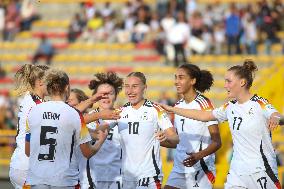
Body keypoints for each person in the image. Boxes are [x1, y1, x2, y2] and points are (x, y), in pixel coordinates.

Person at [159, 60, 282, 189]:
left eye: (228, 81)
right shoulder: (229, 107)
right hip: (237, 172)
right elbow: (204, 115)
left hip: (261, 168)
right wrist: (172, 109)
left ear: (242, 82)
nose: (225, 86)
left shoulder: (259, 103)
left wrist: (275, 117)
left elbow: (276, 114)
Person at [25, 69, 108, 188]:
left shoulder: (33, 111)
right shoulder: (75, 114)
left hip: (37, 179)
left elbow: (28, 151)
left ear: (48, 88)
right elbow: (87, 152)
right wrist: (100, 141)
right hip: (64, 180)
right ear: (67, 87)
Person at [108, 72, 179, 189]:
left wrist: (166, 137)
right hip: (127, 176)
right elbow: (98, 132)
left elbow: (175, 138)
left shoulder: (156, 110)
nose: (130, 91)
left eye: (134, 86)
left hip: (149, 175)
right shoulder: (119, 112)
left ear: (144, 88)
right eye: (127, 86)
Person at [164, 64, 221, 189]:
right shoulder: (177, 105)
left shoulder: (205, 104)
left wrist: (198, 155)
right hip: (179, 168)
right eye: (175, 77)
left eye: (181, 77)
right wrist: (155, 140)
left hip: (200, 168)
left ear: (193, 81)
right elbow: (179, 142)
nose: (176, 82)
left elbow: (217, 142)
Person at [80, 72, 124, 189]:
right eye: (102, 94)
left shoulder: (125, 117)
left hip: (118, 178)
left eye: (110, 93)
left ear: (116, 96)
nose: (106, 97)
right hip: (92, 179)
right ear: (95, 96)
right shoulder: (86, 119)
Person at [9, 64, 49, 189]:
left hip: (21, 162)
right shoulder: (36, 104)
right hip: (27, 165)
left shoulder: (30, 98)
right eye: (51, 81)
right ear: (41, 82)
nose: (54, 85)